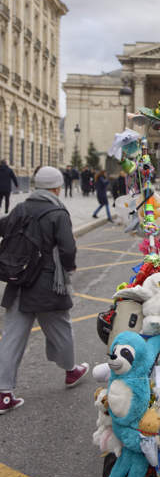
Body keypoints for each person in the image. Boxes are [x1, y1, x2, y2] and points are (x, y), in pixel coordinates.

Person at [0, 166, 89, 414]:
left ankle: (4, 394)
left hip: (19, 281)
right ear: (56, 187)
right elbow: (68, 249)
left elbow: (3, 227)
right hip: (49, 285)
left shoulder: (21, 207)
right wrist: (68, 269)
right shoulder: (57, 212)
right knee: (61, 328)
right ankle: (71, 371)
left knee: (12, 338)